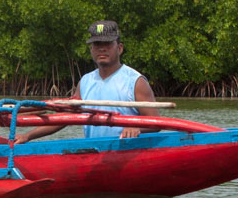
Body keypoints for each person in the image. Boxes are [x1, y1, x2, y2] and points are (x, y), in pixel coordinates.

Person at [17, 20, 159, 142]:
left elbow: (155, 123)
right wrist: (27, 136)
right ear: (91, 49)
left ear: (119, 48)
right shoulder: (85, 81)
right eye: (97, 44)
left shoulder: (135, 81)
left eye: (108, 44)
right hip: (95, 152)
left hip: (127, 150)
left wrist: (136, 127)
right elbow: (66, 117)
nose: (102, 48)